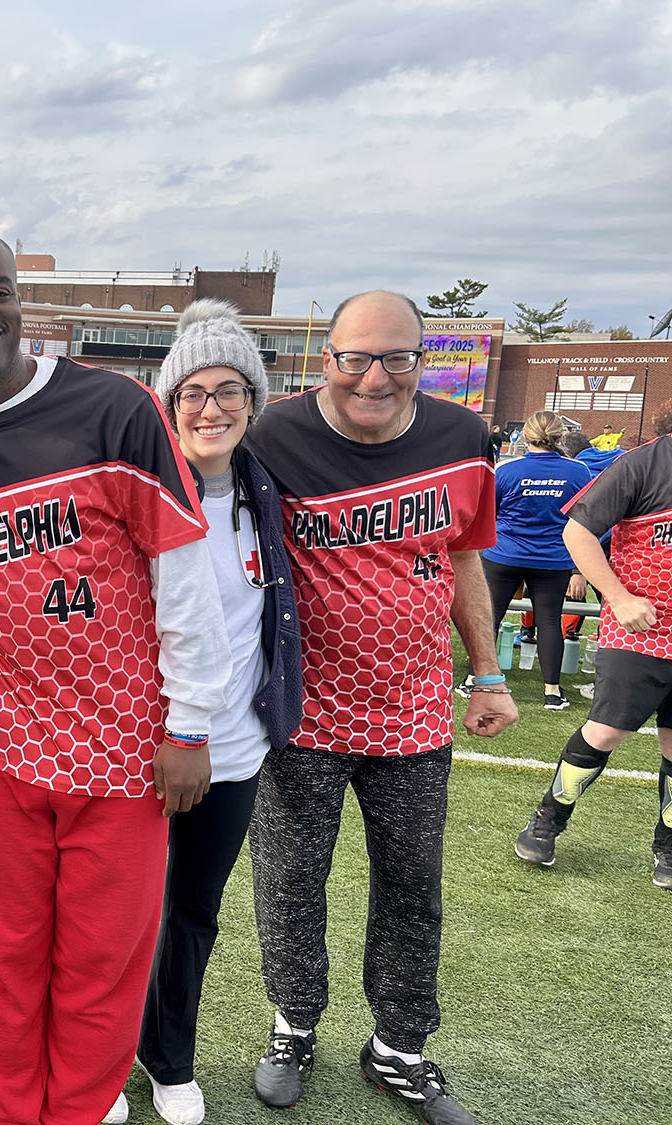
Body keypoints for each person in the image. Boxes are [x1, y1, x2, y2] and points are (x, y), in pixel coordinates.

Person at [0, 226, 230, 1125]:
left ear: (20, 301)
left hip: (127, 756)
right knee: (7, 963)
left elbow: (184, 573)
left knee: (100, 967)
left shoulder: (114, 408)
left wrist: (191, 725)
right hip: (2, 752)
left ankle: (80, 1114)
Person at [243, 290, 516, 1125]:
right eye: (354, 357)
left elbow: (465, 556)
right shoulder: (271, 436)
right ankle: (294, 1025)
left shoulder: (461, 438)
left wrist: (489, 670)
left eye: (396, 357)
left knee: (412, 884)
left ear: (420, 362)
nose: (374, 376)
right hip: (303, 714)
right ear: (324, 359)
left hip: (414, 712)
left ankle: (399, 1046)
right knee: (291, 882)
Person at [135, 300, 303, 1125]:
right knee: (122, 915)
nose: (211, 407)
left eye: (229, 389)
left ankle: (168, 1056)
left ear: (253, 399)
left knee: (193, 911)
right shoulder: (140, 489)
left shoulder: (264, 491)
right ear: (169, 403)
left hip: (235, 750)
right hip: (143, 748)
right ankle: (99, 1061)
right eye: (193, 391)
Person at [513, 400, 672, 888]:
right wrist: (618, 596)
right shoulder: (643, 464)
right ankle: (548, 820)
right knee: (605, 731)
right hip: (642, 631)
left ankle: (668, 848)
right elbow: (578, 532)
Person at [462, 410, 591, 709]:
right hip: (554, 560)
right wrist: (578, 569)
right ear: (560, 438)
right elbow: (584, 520)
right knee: (548, 621)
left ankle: (473, 681)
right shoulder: (578, 471)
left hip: (505, 555)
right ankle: (552, 691)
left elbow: (486, 514)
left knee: (489, 617)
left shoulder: (507, 469)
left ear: (525, 437)